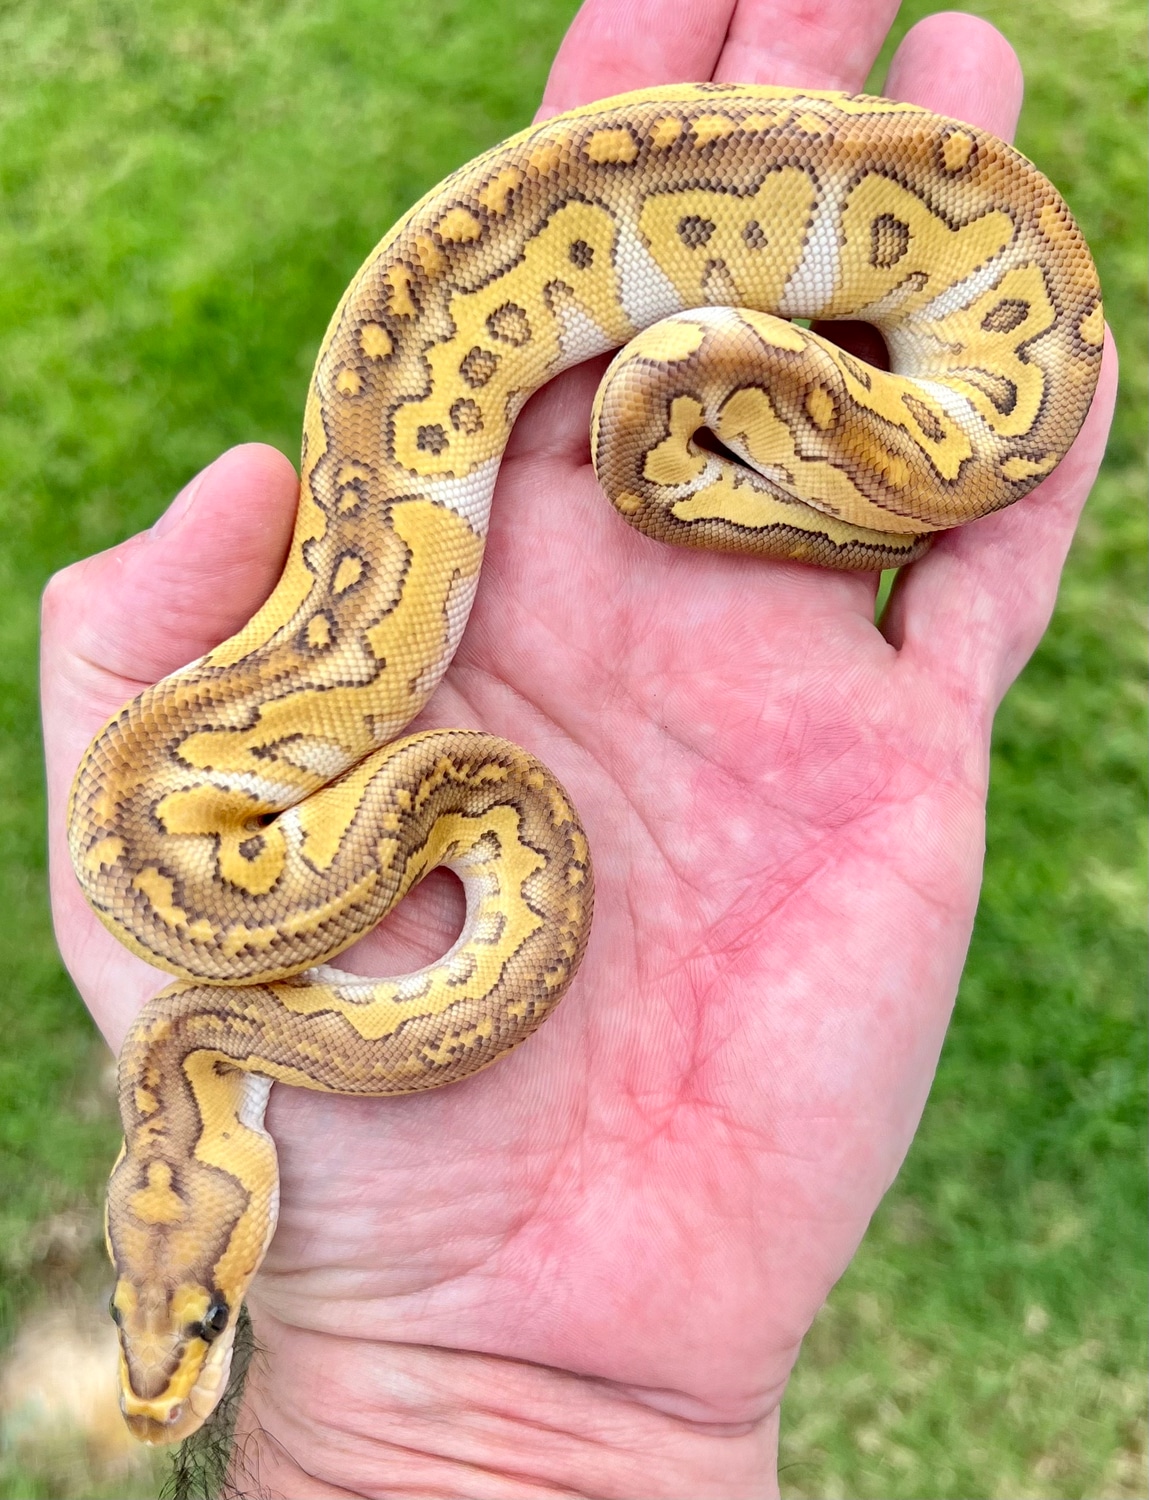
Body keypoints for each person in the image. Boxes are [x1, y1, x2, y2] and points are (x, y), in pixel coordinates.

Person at [40, 0, 1116, 1494]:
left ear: (178, 1203)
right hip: (949, 310)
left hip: (942, 293)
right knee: (874, 425)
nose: (173, 1367)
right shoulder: (220, 962)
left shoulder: (200, 928)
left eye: (180, 1306)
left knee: (776, 417)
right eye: (192, 1316)